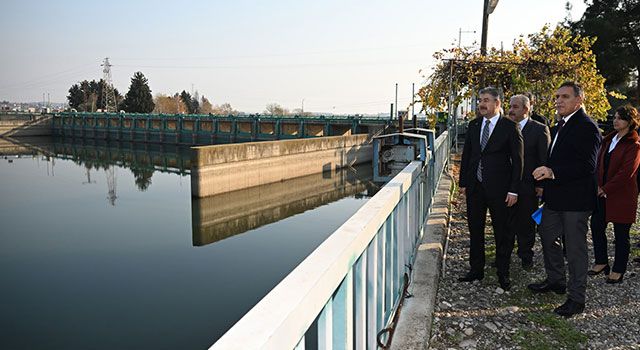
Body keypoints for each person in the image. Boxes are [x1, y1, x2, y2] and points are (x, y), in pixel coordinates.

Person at [528, 81, 602, 318]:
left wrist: (552, 172)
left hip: (576, 202)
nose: (558, 101)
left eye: (565, 97)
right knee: (547, 237)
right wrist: (545, 182)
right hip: (554, 199)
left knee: (576, 250)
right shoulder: (559, 125)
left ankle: (576, 299)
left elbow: (587, 165)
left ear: (579, 101)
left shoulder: (588, 127)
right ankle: (556, 281)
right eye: (557, 96)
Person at [458, 87, 524, 290]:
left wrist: (514, 190)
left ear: (497, 103)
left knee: (502, 232)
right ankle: (476, 269)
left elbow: (519, 161)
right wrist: (464, 184)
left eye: (486, 100)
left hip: (501, 191)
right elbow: (467, 155)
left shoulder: (510, 127)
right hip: (476, 188)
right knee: (475, 230)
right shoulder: (474, 125)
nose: (481, 104)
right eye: (480, 100)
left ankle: (503, 273)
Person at [588, 105, 640, 283]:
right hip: (601, 193)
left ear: (630, 122)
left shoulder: (634, 144)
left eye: (620, 118)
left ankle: (619, 269)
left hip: (622, 195)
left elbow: (627, 173)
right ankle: (601, 261)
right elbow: (599, 164)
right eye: (615, 117)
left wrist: (606, 188)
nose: (615, 120)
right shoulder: (609, 140)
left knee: (621, 234)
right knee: (596, 225)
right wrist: (597, 186)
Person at [506, 95, 551, 270]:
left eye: (515, 107)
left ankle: (526, 255)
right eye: (510, 106)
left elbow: (544, 158)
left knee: (525, 223)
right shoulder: (505, 128)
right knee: (506, 221)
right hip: (507, 184)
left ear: (526, 109)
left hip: (528, 185)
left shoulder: (539, 130)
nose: (511, 110)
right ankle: (505, 254)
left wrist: (541, 185)